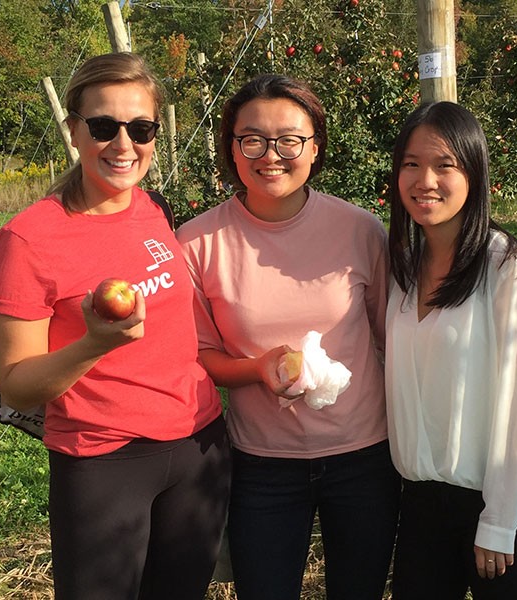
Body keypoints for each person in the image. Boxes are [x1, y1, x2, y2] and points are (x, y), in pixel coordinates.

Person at [0, 52, 230, 600]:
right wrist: (93, 345)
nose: (124, 144)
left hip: (197, 445)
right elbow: (17, 383)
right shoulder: (28, 241)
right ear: (73, 129)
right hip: (103, 459)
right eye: (103, 126)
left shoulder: (154, 209)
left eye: (141, 128)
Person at [176, 74, 400, 600]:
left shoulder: (360, 230)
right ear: (230, 146)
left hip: (364, 454)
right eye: (251, 138)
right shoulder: (197, 242)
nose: (270, 154)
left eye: (289, 140)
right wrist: (256, 369)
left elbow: (392, 333)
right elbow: (202, 355)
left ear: (314, 147)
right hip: (262, 461)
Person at [384, 100, 517, 600]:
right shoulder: (403, 268)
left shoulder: (506, 269)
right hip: (424, 502)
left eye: (445, 165)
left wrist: (498, 520)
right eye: (411, 164)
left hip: (503, 504)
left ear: (473, 173)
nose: (426, 180)